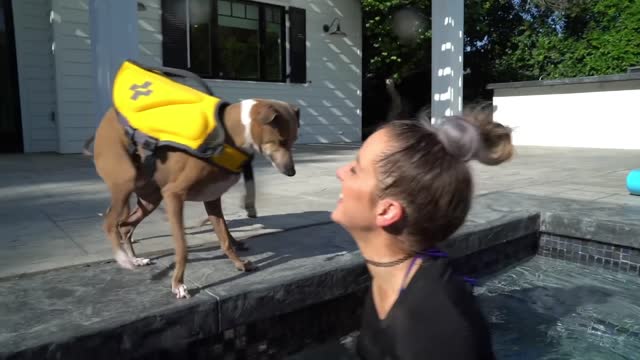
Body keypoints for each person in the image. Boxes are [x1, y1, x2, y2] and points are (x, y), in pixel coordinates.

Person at [331, 106, 514, 360]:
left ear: (386, 211)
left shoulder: (435, 325)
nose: (340, 172)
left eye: (355, 170)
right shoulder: (393, 276)